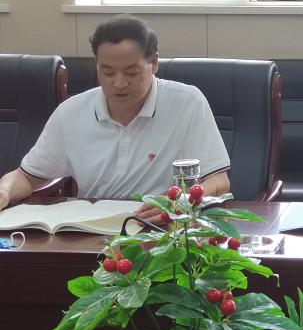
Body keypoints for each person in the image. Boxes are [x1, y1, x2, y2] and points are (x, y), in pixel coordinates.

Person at [0, 15, 231, 221]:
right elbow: (26, 177)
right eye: (108, 72)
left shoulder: (187, 103)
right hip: (89, 230)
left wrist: (178, 203)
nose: (119, 83)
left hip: (162, 228)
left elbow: (219, 182)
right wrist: (5, 191)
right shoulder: (71, 112)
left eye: (131, 72)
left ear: (153, 63)